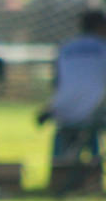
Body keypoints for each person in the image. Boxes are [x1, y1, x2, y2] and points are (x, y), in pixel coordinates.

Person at [43, 9, 106, 160]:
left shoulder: (65, 46)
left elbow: (58, 81)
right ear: (100, 26)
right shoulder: (103, 46)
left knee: (65, 137)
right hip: (94, 112)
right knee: (92, 127)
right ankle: (93, 166)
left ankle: (59, 168)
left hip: (64, 111)